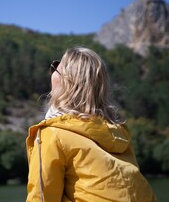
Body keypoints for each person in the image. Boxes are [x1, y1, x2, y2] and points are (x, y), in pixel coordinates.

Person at [26, 47, 157, 202]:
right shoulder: (118, 133)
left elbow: (41, 198)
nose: (51, 72)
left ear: (68, 84)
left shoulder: (53, 135)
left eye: (56, 68)